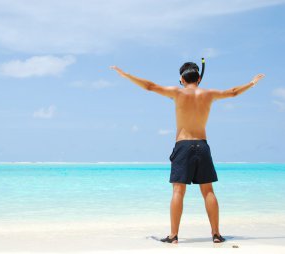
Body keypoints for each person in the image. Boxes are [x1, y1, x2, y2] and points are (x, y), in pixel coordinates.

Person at [110, 62, 265, 244]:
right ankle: (216, 234)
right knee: (208, 191)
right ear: (199, 78)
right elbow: (233, 92)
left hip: (183, 145)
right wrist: (252, 82)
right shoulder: (209, 94)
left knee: (178, 191)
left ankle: (173, 236)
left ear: (182, 79)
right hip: (202, 144)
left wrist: (126, 75)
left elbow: (150, 86)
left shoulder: (177, 93)